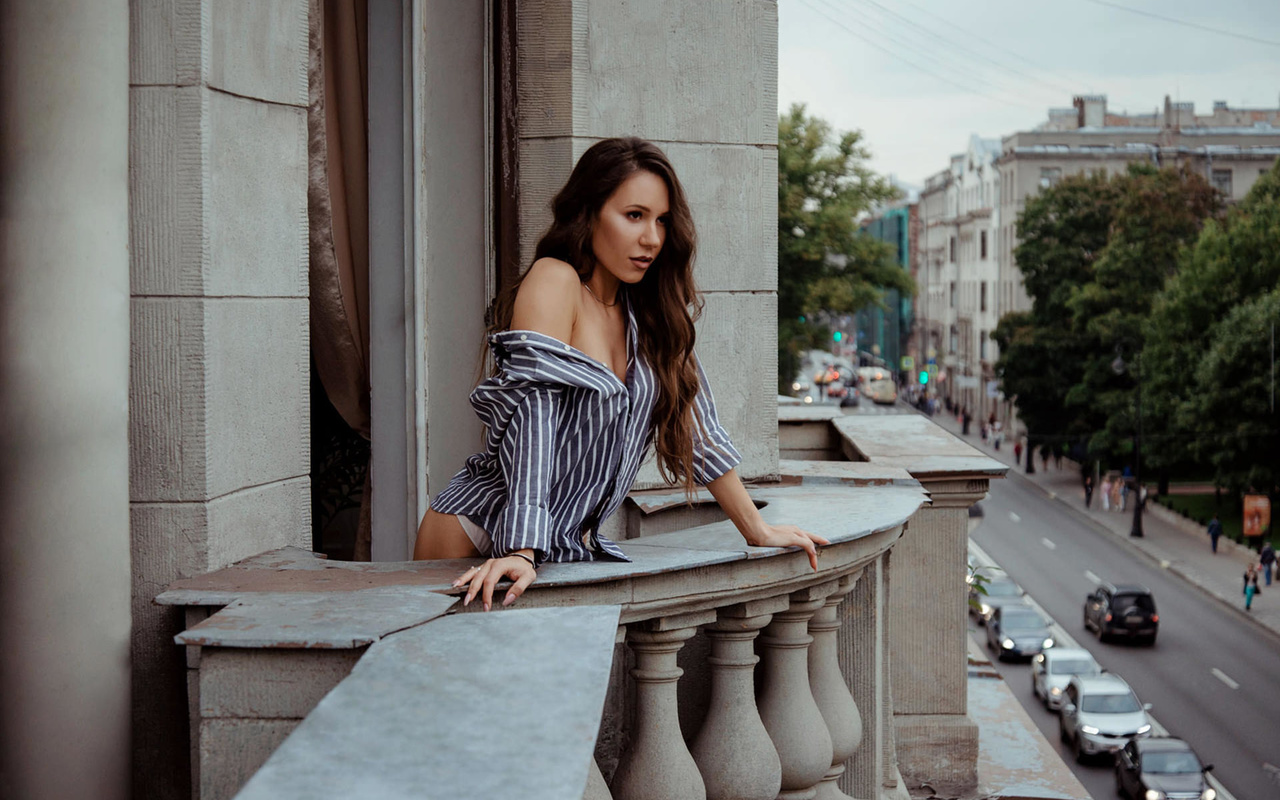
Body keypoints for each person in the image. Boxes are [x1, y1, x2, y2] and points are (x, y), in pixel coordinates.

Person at [412, 138, 828, 611]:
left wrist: (755, 527)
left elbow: (698, 429)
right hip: (479, 530)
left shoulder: (651, 315)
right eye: (634, 215)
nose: (651, 238)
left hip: (556, 549)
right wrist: (520, 548)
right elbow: (533, 415)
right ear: (589, 213)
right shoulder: (555, 280)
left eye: (662, 220)